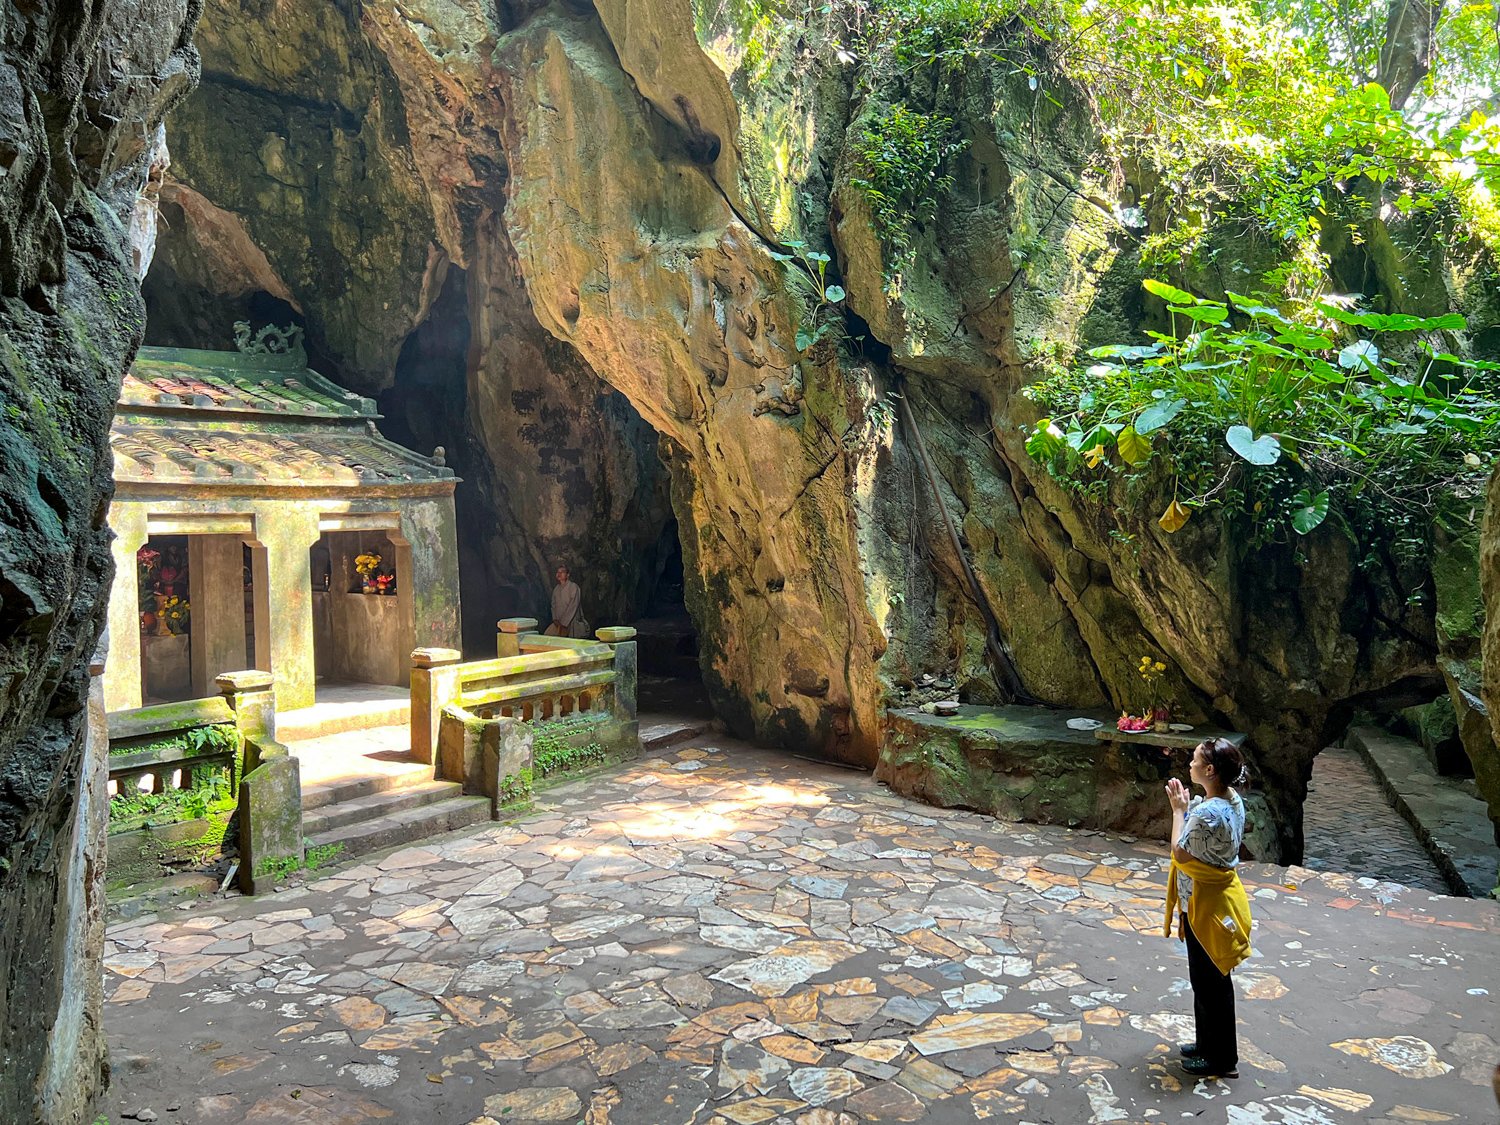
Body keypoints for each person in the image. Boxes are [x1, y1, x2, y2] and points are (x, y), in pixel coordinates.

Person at [1163, 737, 1252, 1080]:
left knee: (1211, 982)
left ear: (1210, 770)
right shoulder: (1232, 800)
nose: (1190, 764)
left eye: (1195, 760)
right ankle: (1206, 1045)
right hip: (1217, 899)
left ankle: (1220, 1058)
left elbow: (1179, 852)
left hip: (1206, 905)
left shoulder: (1204, 813)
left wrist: (1178, 811)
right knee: (1209, 980)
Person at [544, 564, 589, 638]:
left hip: (572, 622)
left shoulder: (573, 587)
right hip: (558, 623)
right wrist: (555, 619)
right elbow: (553, 605)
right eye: (558, 572)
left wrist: (564, 623)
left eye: (562, 572)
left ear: (567, 575)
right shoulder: (556, 589)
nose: (559, 574)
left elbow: (573, 606)